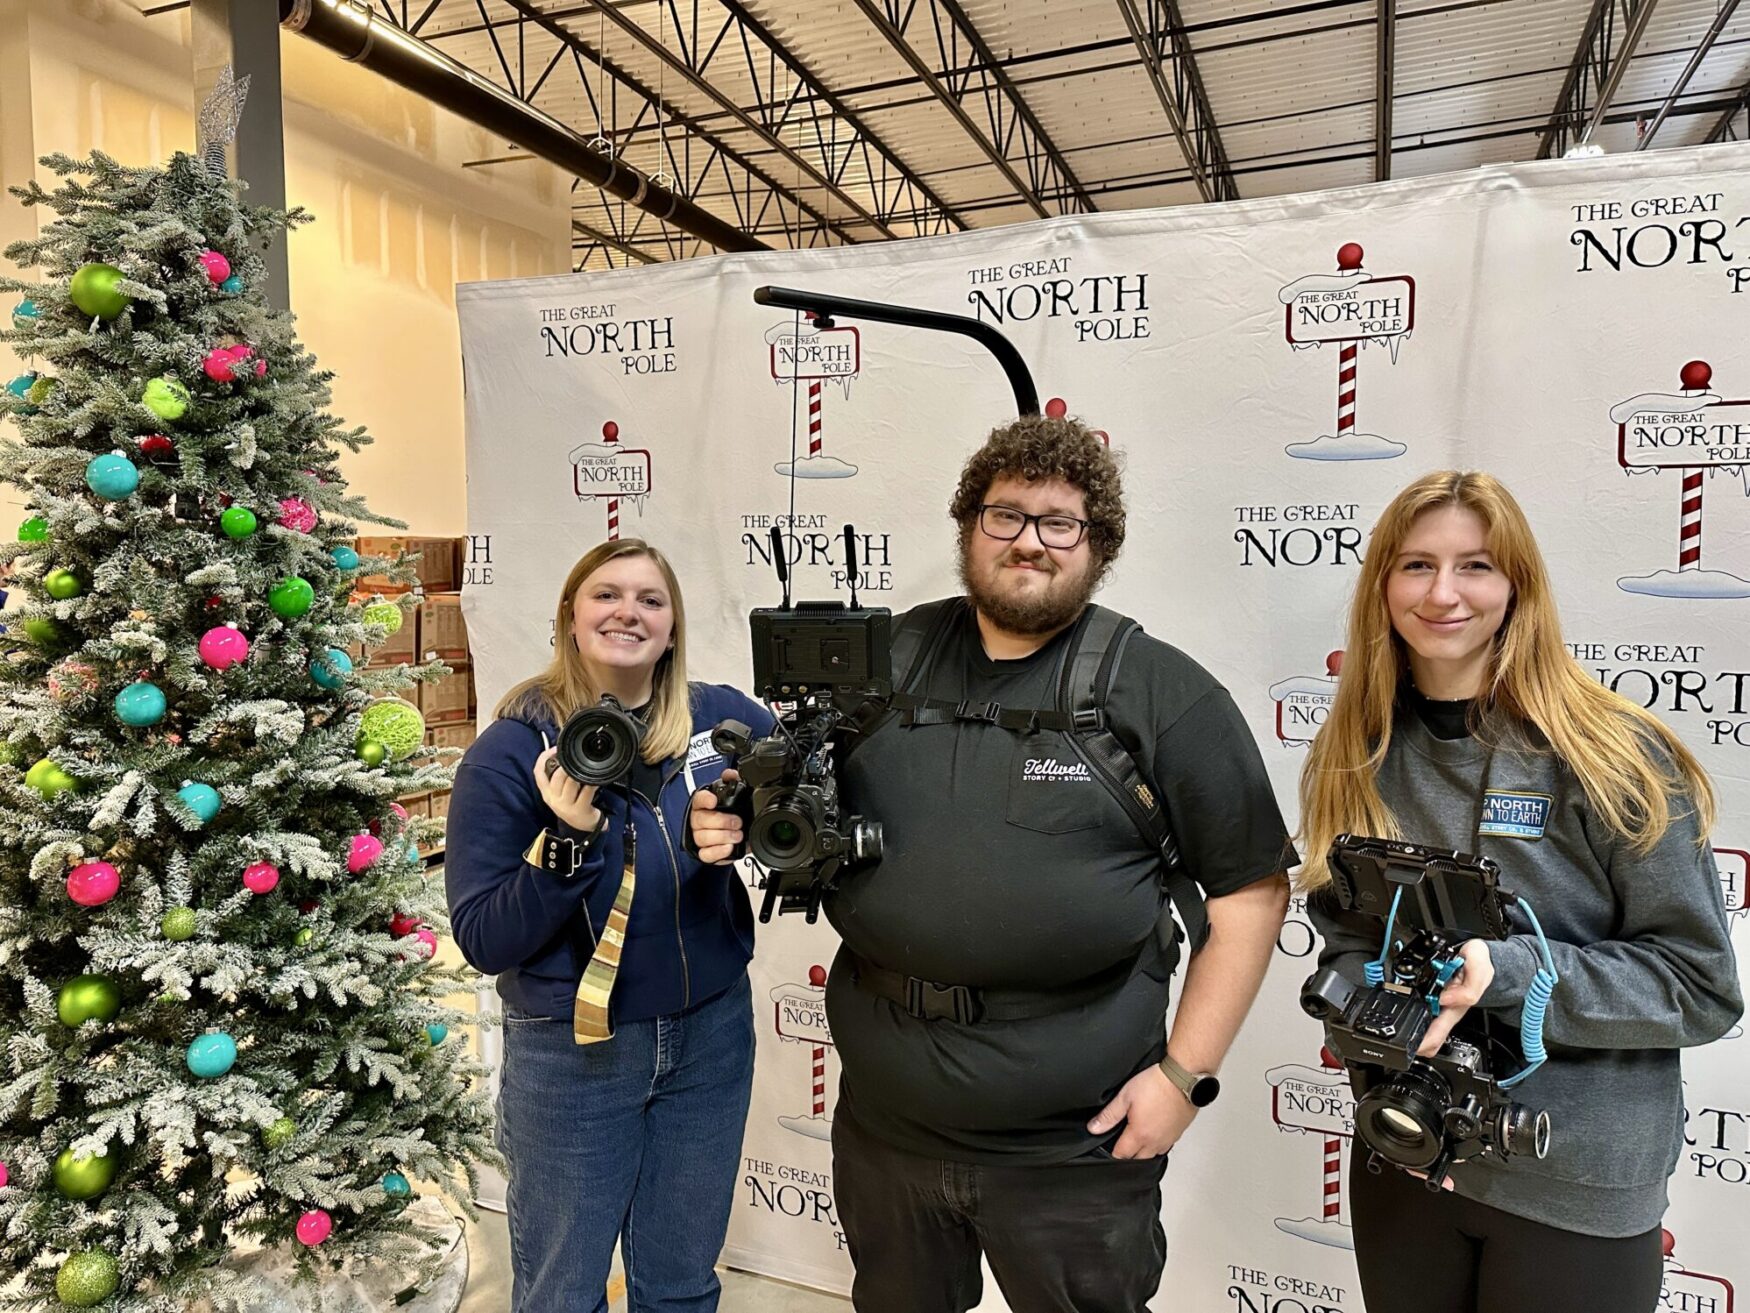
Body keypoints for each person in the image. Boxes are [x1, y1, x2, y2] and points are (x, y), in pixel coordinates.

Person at [692, 415, 1294, 1313]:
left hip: (1074, 1147)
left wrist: (1182, 1077)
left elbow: (1250, 891)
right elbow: (794, 792)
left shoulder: (1160, 692)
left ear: (1099, 544)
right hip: (888, 1127)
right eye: (1005, 514)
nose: (1029, 541)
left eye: (1060, 522)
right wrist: (734, 813)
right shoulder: (881, 663)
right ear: (969, 525)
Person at [1299, 470, 1743, 1313]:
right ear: (1382, 584)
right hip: (1407, 1151)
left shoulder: (1612, 753)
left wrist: (1506, 972)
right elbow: (1346, 931)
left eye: (1475, 565)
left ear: (1517, 586)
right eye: (1416, 564)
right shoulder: (1357, 749)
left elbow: (1699, 985)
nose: (1443, 593)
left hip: (1572, 1184)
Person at [445, 538, 773, 1313]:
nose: (629, 611)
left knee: (681, 1284)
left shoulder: (720, 719)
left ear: (672, 627)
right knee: (562, 1291)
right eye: (607, 594)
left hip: (710, 1037)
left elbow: (801, 797)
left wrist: (749, 823)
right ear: (570, 616)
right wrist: (565, 841)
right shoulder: (514, 751)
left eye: (650, 600)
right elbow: (484, 938)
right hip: (575, 1053)